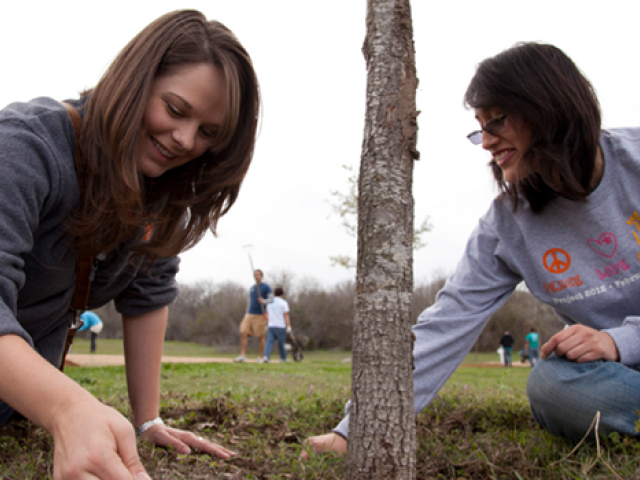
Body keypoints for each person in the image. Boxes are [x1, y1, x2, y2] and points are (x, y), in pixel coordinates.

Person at [303, 42, 640, 457]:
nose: (486, 142)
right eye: (480, 128)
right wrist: (353, 431)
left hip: (625, 352)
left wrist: (621, 341)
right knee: (552, 385)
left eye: (496, 122)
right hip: (620, 378)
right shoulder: (506, 225)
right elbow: (448, 321)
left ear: (547, 108)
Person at [0, 10, 260, 479]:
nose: (184, 140)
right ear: (136, 80)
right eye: (176, 110)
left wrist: (148, 419)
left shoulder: (158, 190)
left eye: (208, 133)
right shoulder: (24, 148)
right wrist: (68, 409)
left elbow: (149, 290)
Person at [235, 269, 273, 363]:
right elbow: (251, 302)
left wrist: (263, 301)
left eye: (258, 275)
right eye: (255, 275)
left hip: (260, 315)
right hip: (249, 314)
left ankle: (261, 357)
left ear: (261, 276)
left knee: (260, 336)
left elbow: (271, 299)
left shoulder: (266, 287)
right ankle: (243, 355)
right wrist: (246, 312)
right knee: (243, 332)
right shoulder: (252, 287)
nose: (256, 276)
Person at [263, 287, 292, 363]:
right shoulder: (283, 303)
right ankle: (283, 358)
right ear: (282, 294)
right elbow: (286, 315)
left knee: (269, 342)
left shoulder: (270, 303)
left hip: (271, 325)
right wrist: (288, 326)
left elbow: (267, 314)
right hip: (280, 326)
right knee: (281, 343)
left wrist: (266, 324)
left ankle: (266, 356)